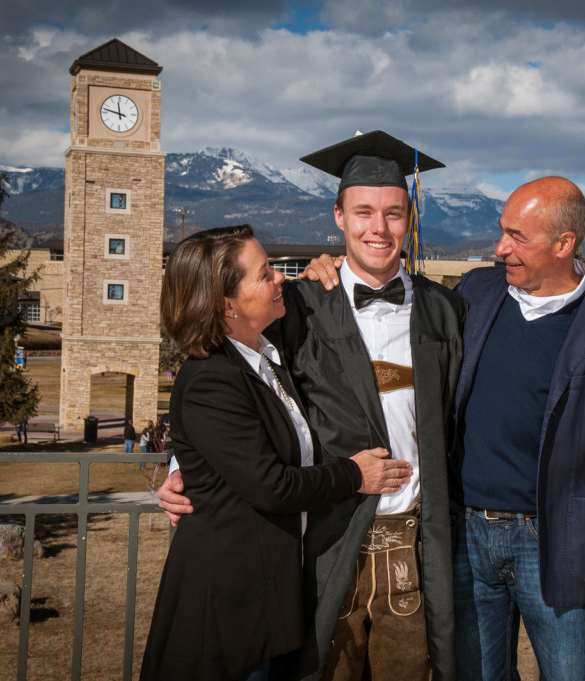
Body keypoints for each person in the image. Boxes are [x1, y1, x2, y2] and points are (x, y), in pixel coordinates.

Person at [159, 131, 464, 681]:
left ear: (411, 218)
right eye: (363, 211)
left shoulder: (444, 311)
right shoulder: (296, 304)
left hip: (416, 541)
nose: (379, 228)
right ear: (339, 216)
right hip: (327, 541)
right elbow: (234, 390)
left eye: (394, 214)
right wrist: (183, 470)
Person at [140, 225, 412, 681]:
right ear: (227, 303)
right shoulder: (211, 378)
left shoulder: (264, 358)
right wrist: (354, 475)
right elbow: (271, 484)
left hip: (268, 595)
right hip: (229, 605)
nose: (278, 279)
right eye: (265, 273)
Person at [450, 177, 585, 680]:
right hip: (466, 539)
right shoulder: (475, 293)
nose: (501, 248)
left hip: (555, 543)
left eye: (517, 236)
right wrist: (335, 267)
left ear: (565, 244)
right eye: (502, 232)